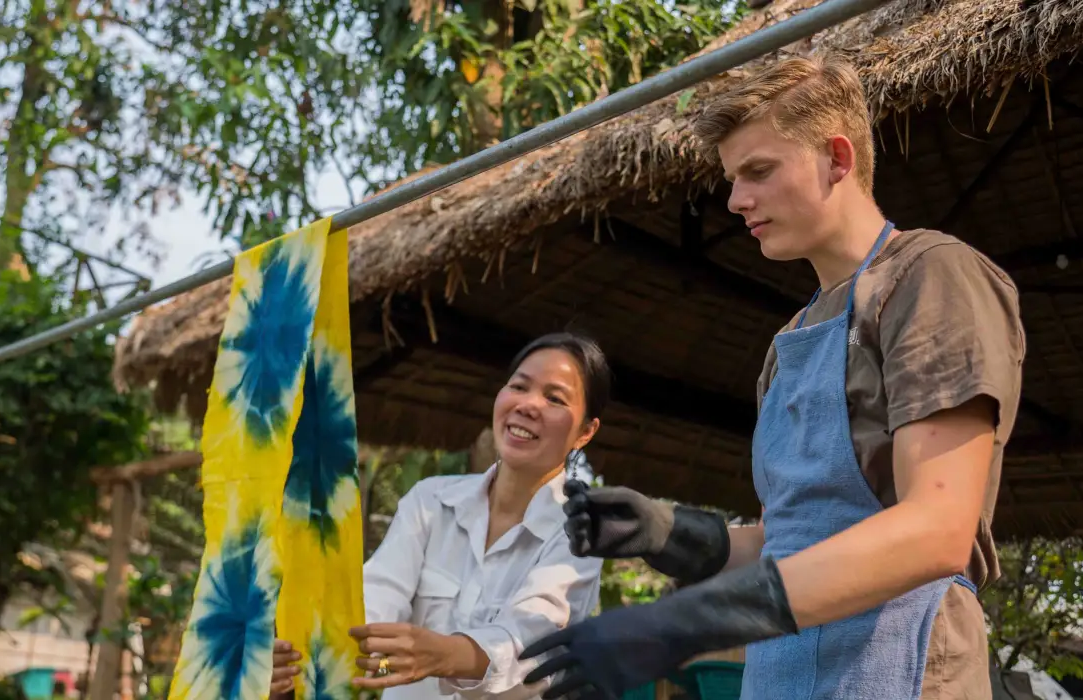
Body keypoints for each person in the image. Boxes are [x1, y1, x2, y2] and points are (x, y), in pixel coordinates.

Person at [519, 55, 1025, 700]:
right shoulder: (788, 342)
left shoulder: (931, 275)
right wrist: (671, 533)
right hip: (784, 672)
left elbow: (936, 530)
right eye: (732, 178)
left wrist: (680, 624)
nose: (736, 200)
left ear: (838, 159)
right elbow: (791, 540)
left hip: (901, 664)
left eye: (758, 171)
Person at [269, 332, 611, 700]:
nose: (528, 405)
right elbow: (374, 607)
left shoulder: (579, 532)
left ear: (586, 432)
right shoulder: (430, 500)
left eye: (554, 398)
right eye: (519, 386)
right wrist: (304, 661)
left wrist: (446, 655)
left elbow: (529, 643)